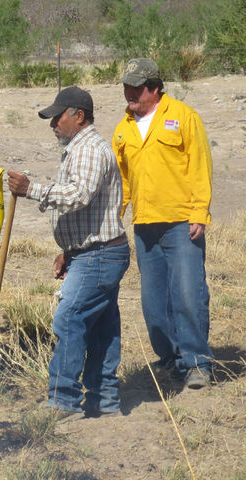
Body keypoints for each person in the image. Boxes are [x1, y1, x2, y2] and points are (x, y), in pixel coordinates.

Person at [7, 86, 130, 418]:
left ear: (79, 116)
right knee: (101, 325)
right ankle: (104, 399)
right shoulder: (82, 148)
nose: (52, 125)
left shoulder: (88, 149)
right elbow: (91, 208)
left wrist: (32, 189)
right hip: (95, 252)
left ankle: (63, 400)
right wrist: (69, 252)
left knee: (69, 318)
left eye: (57, 117)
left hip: (99, 254)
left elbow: (80, 195)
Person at [113, 58, 214, 389]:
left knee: (188, 293)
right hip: (144, 226)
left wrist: (199, 212)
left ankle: (196, 363)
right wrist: (114, 217)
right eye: (126, 87)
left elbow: (200, 165)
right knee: (153, 302)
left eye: (137, 87)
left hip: (182, 222)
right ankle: (171, 361)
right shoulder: (123, 128)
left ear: (155, 88)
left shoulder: (184, 116)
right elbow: (122, 180)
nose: (130, 93)